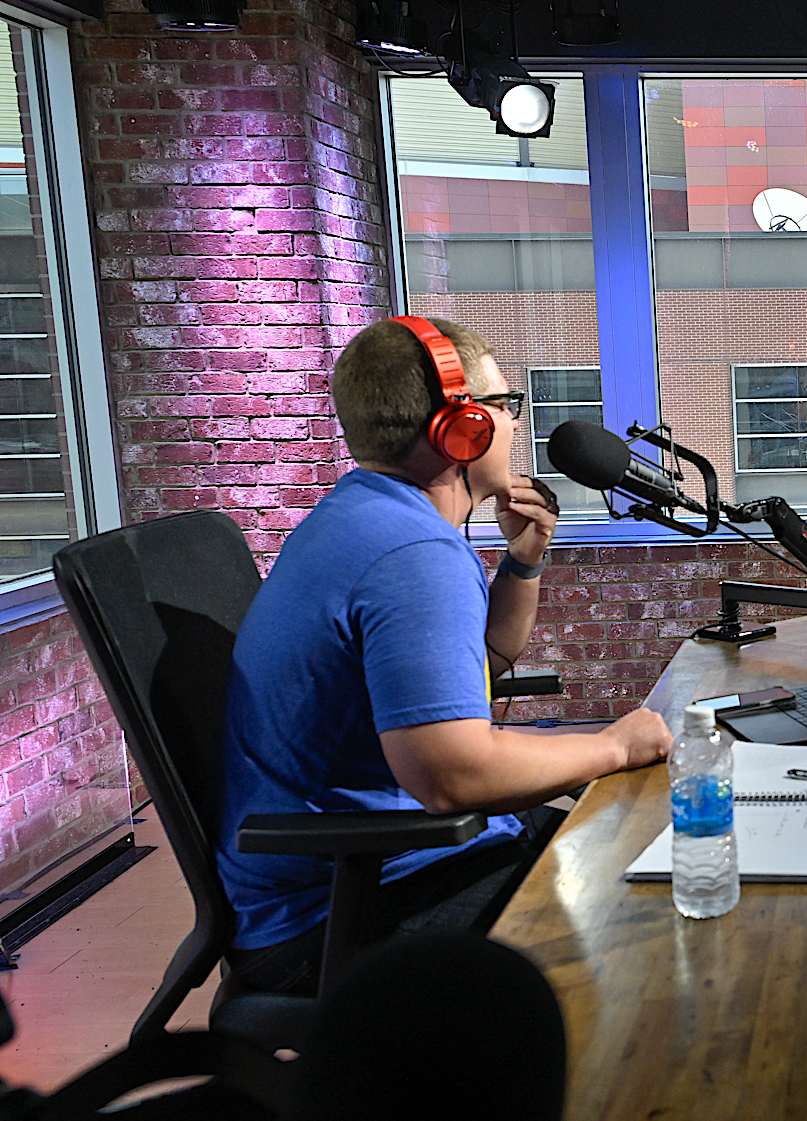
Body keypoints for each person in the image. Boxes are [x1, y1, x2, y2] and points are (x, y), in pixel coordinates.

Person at [216, 316, 674, 995]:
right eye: (504, 404)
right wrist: (613, 744)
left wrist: (523, 563)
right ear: (462, 429)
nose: (515, 424)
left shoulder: (364, 512)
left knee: (612, 842)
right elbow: (451, 775)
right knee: (648, 913)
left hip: (352, 878)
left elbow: (486, 653)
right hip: (344, 916)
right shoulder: (413, 554)